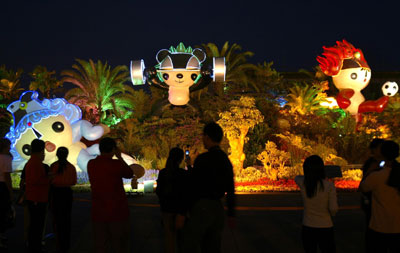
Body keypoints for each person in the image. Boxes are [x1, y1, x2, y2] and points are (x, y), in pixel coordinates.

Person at [182, 122, 235, 253]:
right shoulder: (225, 160)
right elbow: (230, 188)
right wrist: (231, 213)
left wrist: (186, 209)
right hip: (218, 208)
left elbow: (193, 183)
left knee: (191, 243)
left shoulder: (203, 159)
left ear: (207, 137)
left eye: (203, 136)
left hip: (201, 206)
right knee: (213, 246)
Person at [87, 137, 133, 253]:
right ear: (113, 149)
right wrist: (120, 157)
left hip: (98, 210)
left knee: (100, 244)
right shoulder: (117, 164)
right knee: (118, 243)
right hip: (117, 210)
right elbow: (129, 173)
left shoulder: (91, 164)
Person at [359, 140, 400, 252]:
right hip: (397, 226)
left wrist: (369, 171)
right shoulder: (397, 172)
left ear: (382, 153)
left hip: (379, 225)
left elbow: (363, 187)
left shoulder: (377, 176)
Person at [295, 155, 338, 253]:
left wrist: (309, 176)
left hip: (307, 225)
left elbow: (297, 177)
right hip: (325, 226)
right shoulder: (329, 185)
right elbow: (333, 208)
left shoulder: (303, 182)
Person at [156, 147, 189, 253]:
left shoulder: (163, 173)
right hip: (180, 212)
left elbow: (159, 191)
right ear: (180, 160)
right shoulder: (183, 174)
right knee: (182, 241)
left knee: (169, 240)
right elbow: (186, 194)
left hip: (166, 210)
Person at [49, 147, 77, 253]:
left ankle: (58, 241)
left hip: (56, 193)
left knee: (57, 217)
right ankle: (66, 242)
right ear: (67, 155)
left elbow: (50, 180)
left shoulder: (53, 166)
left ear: (57, 154)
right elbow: (74, 181)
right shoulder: (70, 167)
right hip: (67, 193)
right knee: (66, 218)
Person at [25, 139, 50, 253]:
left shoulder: (32, 161)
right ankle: (35, 246)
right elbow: (36, 180)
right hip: (37, 197)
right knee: (37, 224)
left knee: (35, 224)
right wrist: (48, 179)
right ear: (41, 149)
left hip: (34, 196)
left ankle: (33, 245)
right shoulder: (36, 162)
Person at [359, 138, 384, 252]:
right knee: (372, 227)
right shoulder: (371, 163)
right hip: (371, 200)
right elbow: (363, 185)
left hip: (384, 200)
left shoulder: (387, 164)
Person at [0, 138, 13, 249]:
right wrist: (10, 190)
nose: (10, 147)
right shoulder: (6, 158)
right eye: (9, 145)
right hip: (2, 186)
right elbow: (7, 176)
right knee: (3, 211)